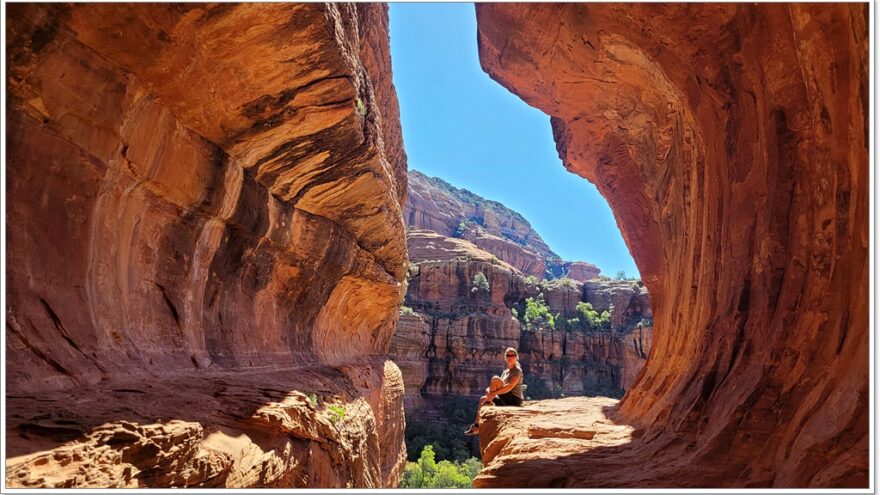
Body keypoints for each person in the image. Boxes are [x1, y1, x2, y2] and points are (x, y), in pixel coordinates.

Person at [464, 347, 524, 435]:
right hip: (505, 397)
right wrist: (489, 390)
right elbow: (498, 386)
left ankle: (488, 403)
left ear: (516, 357)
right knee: (482, 399)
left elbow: (510, 386)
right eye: (508, 355)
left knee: (495, 379)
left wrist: (493, 393)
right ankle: (477, 426)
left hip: (514, 399)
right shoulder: (505, 372)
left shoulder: (517, 371)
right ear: (505, 357)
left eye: (512, 355)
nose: (510, 357)